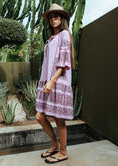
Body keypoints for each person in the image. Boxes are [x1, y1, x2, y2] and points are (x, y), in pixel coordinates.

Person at [35, 3, 75, 164]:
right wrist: (46, 81)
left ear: (62, 18)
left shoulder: (65, 34)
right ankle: (55, 144)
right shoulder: (52, 38)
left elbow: (63, 61)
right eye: (50, 17)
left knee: (59, 119)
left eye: (56, 16)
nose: (53, 19)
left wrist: (52, 81)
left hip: (57, 81)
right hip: (47, 81)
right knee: (39, 116)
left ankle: (63, 152)